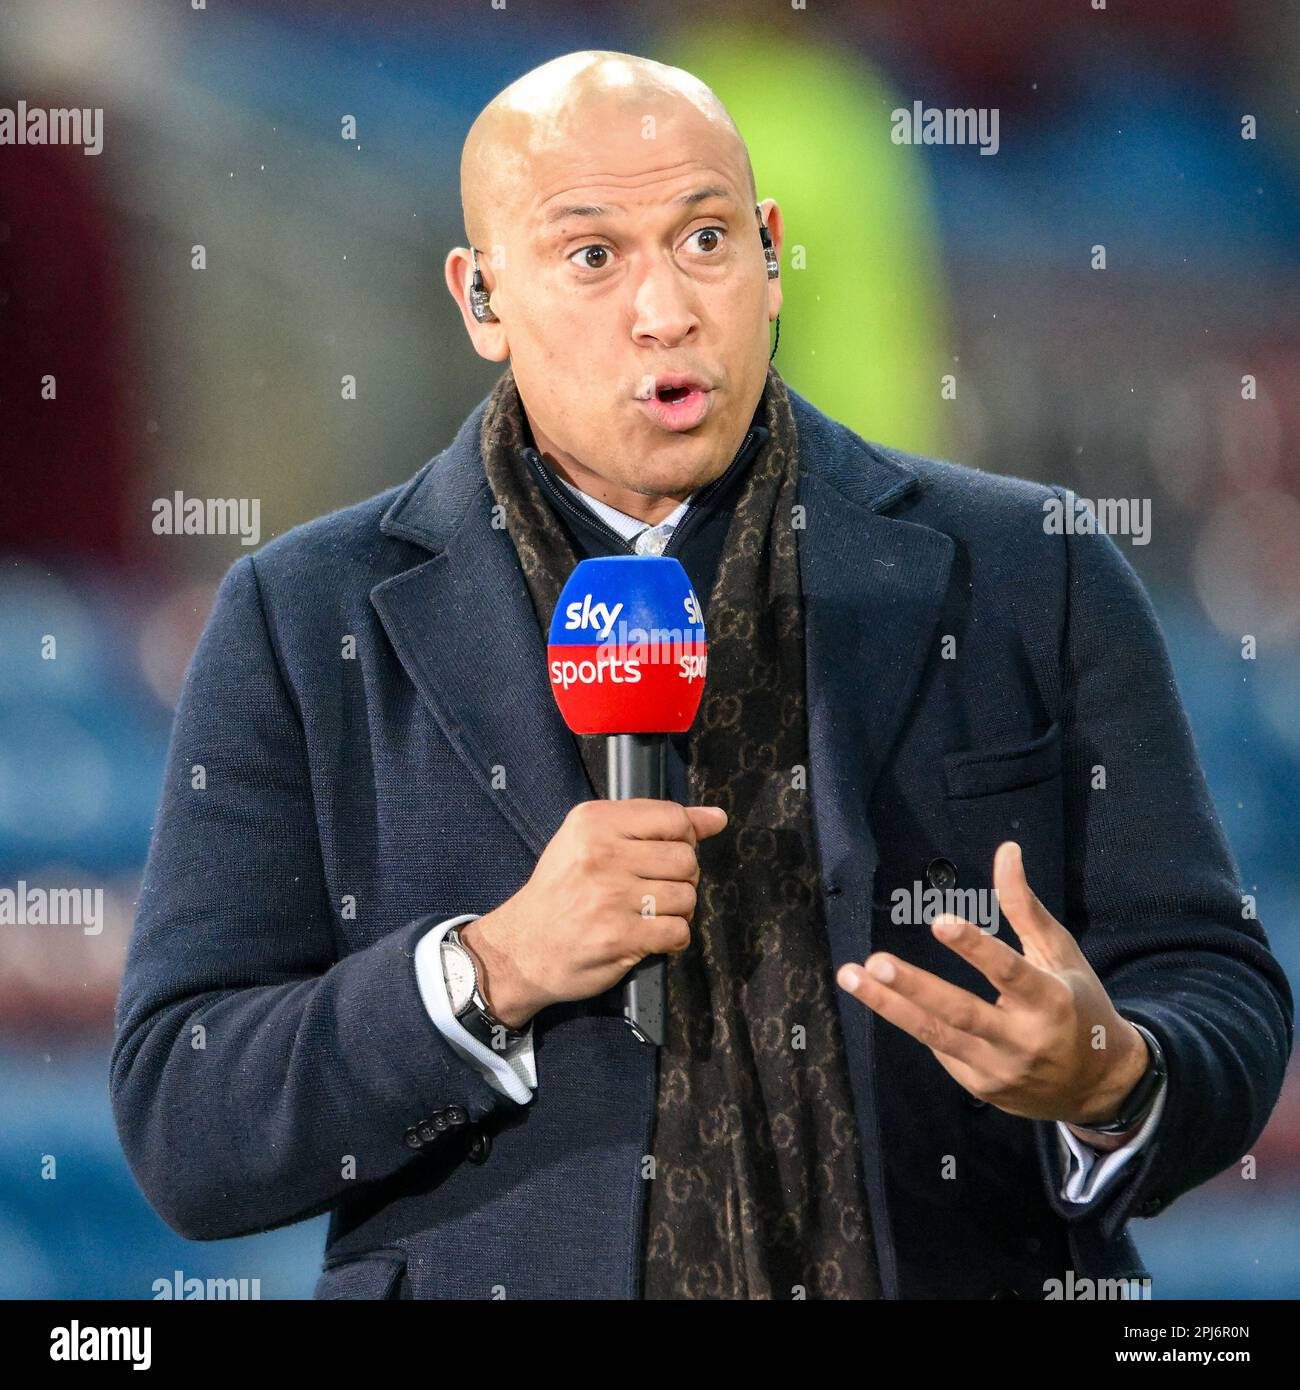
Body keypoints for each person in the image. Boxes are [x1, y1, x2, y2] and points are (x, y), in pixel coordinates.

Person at [110, 50, 1293, 1300]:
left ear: (771, 255)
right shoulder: (303, 619)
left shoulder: (1027, 567)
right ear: (480, 298)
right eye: (592, 257)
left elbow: (1217, 990)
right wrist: (489, 969)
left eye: (706, 238)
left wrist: (1111, 1074)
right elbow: (187, 1115)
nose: (666, 307)